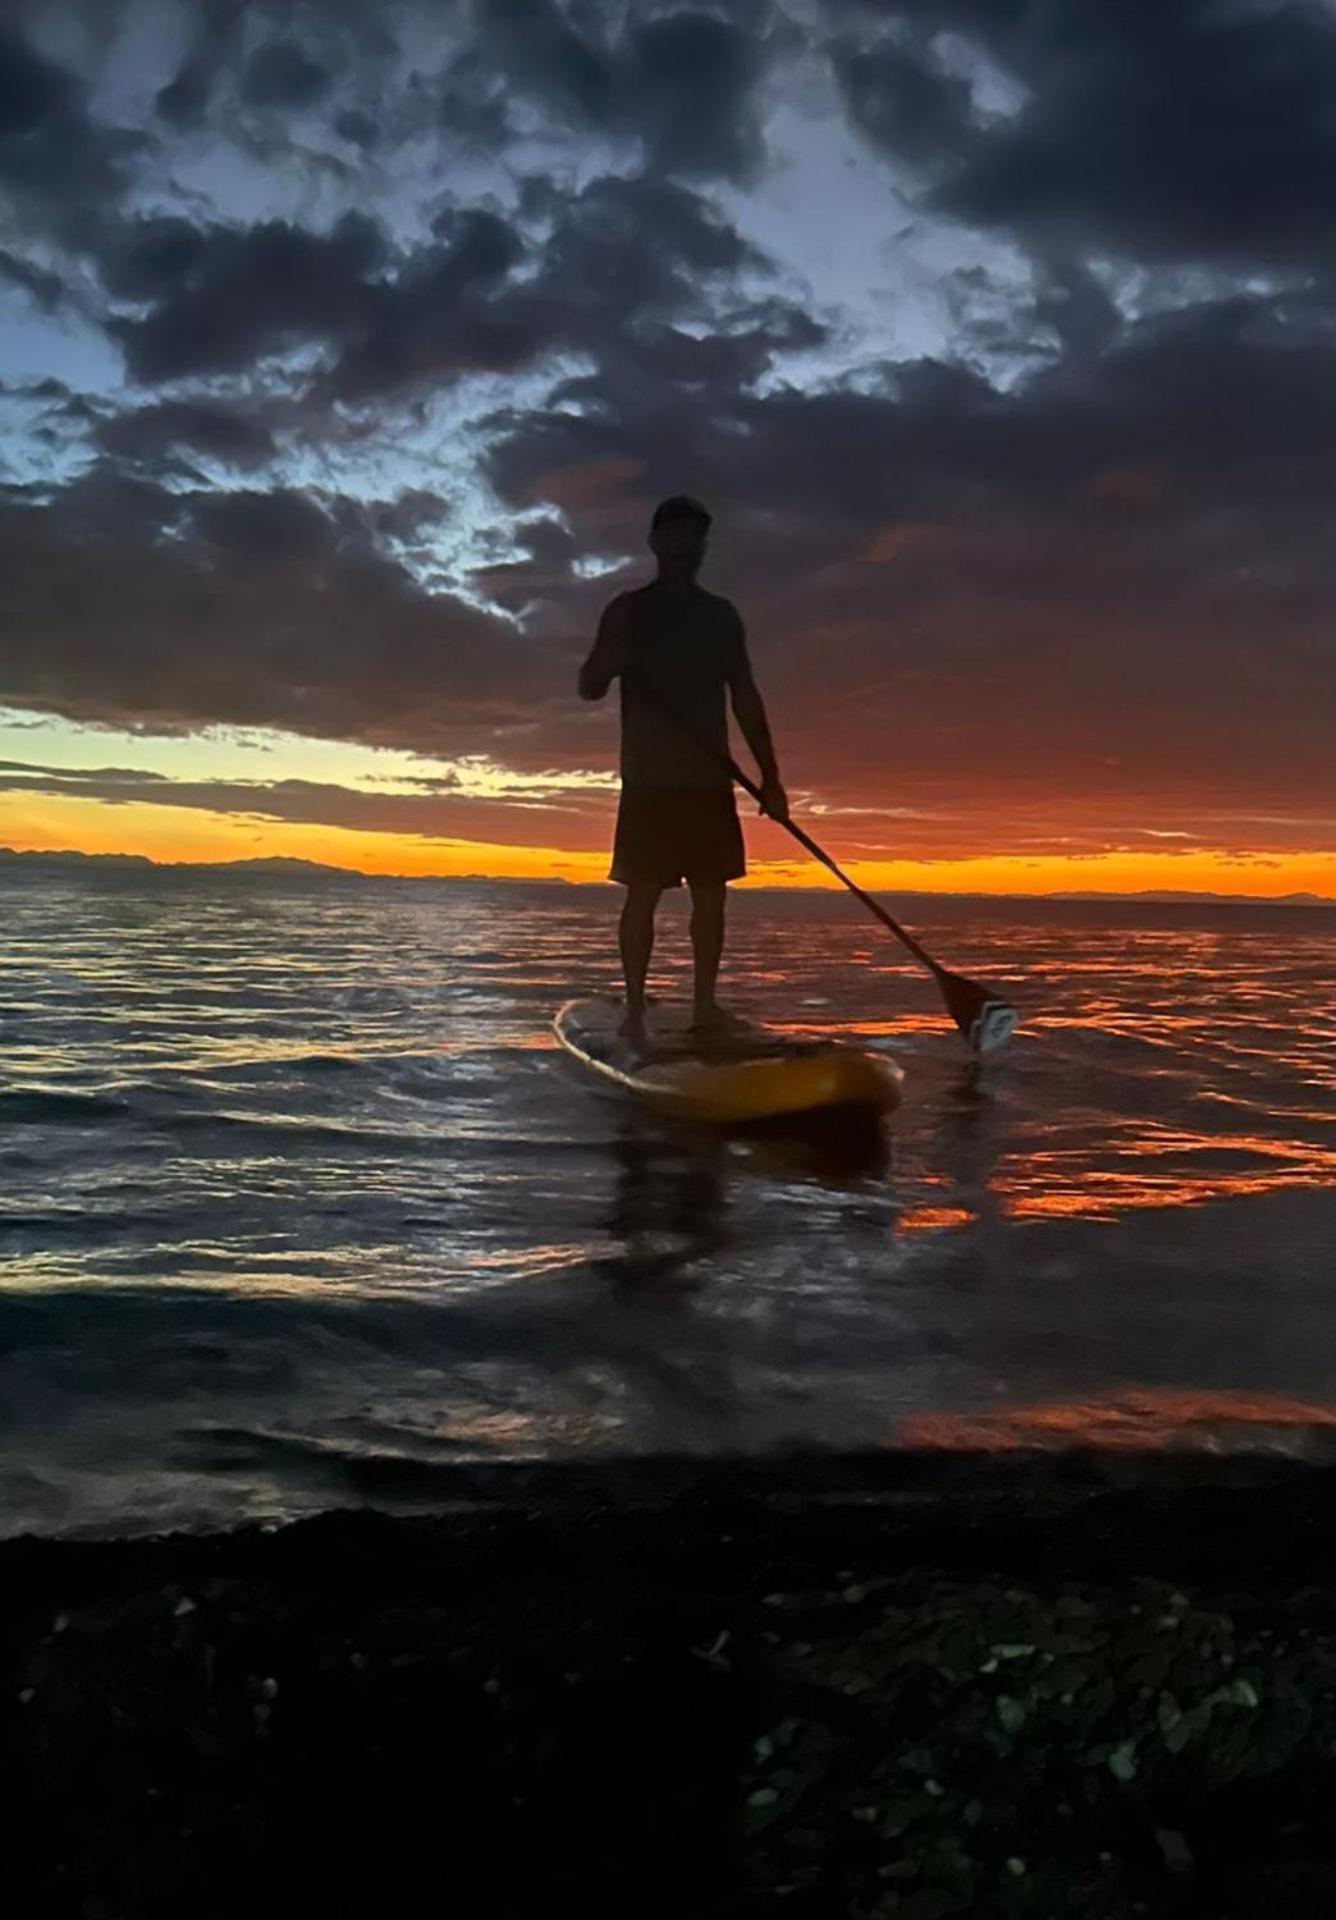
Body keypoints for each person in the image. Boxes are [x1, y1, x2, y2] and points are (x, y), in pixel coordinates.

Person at [578, 494, 787, 1048]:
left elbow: (745, 697)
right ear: (654, 542)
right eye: (673, 535)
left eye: (693, 537)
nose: (683, 547)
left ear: (702, 547)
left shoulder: (721, 617)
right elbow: (589, 685)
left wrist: (771, 777)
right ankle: (634, 1011)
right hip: (649, 780)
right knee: (643, 892)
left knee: (712, 895)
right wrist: (616, 660)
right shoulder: (628, 610)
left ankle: (703, 1007)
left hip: (708, 781)